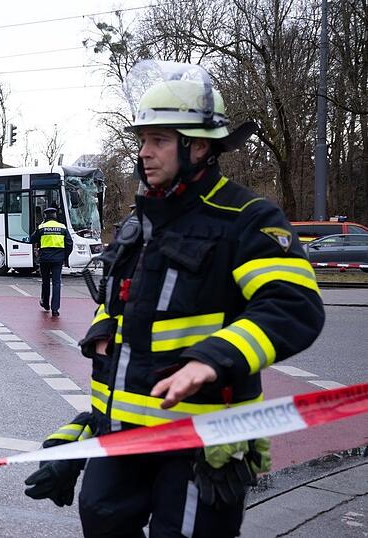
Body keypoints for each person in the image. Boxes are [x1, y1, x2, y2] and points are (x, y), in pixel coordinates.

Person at [24, 61, 325, 537]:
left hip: (200, 439)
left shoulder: (246, 218)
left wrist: (213, 360)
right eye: (142, 140)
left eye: (159, 140)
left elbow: (293, 306)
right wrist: (89, 425)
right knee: (100, 517)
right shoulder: (138, 222)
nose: (144, 153)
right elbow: (123, 317)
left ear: (198, 145)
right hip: (121, 432)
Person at [30, 207, 73, 316]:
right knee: (56, 283)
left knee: (45, 282)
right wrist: (64, 256)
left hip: (44, 259)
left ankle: (45, 303)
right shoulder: (62, 227)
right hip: (58, 259)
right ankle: (55, 309)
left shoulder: (42, 227)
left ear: (45, 216)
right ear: (55, 216)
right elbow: (69, 244)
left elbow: (32, 239)